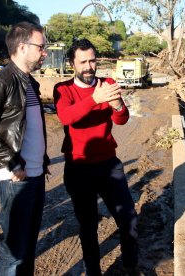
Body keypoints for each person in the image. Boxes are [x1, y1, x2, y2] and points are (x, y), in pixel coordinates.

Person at [0, 21, 50, 275]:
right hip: (16, 177)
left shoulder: (30, 83)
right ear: (23, 47)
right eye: (41, 47)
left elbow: (30, 126)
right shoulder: (0, 81)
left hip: (34, 175)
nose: (44, 52)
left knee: (26, 248)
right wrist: (13, 161)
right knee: (14, 252)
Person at [53, 39, 138, 276]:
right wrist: (94, 99)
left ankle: (131, 266)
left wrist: (118, 104)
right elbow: (67, 117)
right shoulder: (63, 89)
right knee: (88, 227)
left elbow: (121, 120)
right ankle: (93, 272)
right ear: (72, 63)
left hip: (109, 164)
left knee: (129, 219)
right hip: (78, 168)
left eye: (92, 60)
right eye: (83, 62)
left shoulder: (108, 83)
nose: (89, 66)